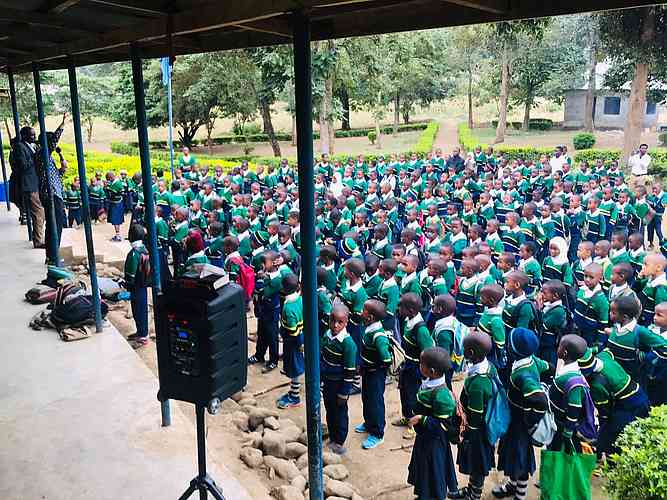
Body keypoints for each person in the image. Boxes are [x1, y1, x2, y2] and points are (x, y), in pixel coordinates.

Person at [493, 328, 550, 500]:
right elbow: (548, 367)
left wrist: (530, 419)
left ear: (515, 350)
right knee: (512, 456)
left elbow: (540, 401)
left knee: (520, 460)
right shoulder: (530, 360)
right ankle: (512, 484)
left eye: (509, 344)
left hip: (520, 423)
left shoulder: (523, 375)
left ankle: (520, 495)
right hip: (514, 420)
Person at [449, 332, 498, 500]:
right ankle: (471, 490)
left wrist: (467, 433)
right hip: (481, 428)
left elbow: (476, 415)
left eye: (464, 348)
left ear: (470, 353)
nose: (462, 351)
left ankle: (474, 495)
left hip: (478, 432)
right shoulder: (487, 366)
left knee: (477, 464)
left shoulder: (478, 383)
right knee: (476, 463)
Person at [406, 347, 458, 500]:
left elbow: (442, 425)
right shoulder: (430, 382)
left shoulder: (442, 396)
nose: (419, 366)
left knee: (433, 472)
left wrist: (421, 419)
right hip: (425, 438)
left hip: (434, 443)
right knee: (424, 471)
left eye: (422, 364)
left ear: (432, 371)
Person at [578, 348, 649, 459]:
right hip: (641, 394)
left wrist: (601, 430)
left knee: (612, 434)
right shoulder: (604, 357)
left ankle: (608, 458)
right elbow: (608, 350)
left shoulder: (597, 385)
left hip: (629, 405)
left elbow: (604, 413)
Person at [393, 293, 435, 438]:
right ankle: (407, 417)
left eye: (401, 307)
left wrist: (423, 372)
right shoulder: (408, 320)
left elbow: (427, 351)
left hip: (416, 368)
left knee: (413, 395)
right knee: (404, 392)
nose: (399, 309)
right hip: (407, 364)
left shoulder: (420, 329)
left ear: (411, 311)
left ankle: (415, 425)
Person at [321, 304, 358, 455]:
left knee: (340, 413)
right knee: (329, 409)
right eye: (332, 321)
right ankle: (332, 435)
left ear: (346, 322)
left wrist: (344, 393)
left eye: (340, 322)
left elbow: (349, 372)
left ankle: (339, 441)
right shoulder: (327, 335)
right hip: (328, 382)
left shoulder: (348, 344)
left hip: (339, 385)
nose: (335, 325)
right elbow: (323, 357)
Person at [357, 299, 392, 449]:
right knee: (366, 398)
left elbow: (386, 358)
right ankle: (369, 422)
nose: (361, 312)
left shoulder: (378, 336)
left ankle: (378, 433)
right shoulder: (369, 328)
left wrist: (376, 367)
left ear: (370, 317)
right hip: (368, 371)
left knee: (375, 401)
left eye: (363, 310)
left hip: (375, 374)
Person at [547, 335, 590, 454]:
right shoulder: (568, 368)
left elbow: (575, 407)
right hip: (557, 421)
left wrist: (568, 432)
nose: (558, 348)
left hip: (563, 426)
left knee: (559, 455)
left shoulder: (573, 381)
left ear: (565, 353)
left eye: (560, 346)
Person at [36, 114, 68, 263]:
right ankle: (53, 256)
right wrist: (62, 124)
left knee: (55, 225)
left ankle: (52, 255)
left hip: (54, 193)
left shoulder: (47, 157)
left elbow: (55, 176)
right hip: (51, 194)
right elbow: (54, 141)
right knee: (55, 225)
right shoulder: (42, 154)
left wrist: (62, 169)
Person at [13, 125, 45, 248]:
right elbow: (23, 166)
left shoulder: (29, 146)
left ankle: (38, 237)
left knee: (38, 212)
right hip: (29, 184)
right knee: (38, 212)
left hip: (33, 183)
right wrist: (35, 157)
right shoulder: (20, 147)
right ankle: (38, 241)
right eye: (31, 135)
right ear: (24, 136)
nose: (34, 137)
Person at [276, 274, 304, 409]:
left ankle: (295, 397)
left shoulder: (288, 308)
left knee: (294, 369)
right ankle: (293, 392)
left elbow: (293, 331)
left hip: (292, 342)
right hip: (298, 339)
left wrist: (299, 344)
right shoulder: (300, 299)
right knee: (294, 366)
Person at [124, 224, 150, 349]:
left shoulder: (134, 254)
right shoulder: (144, 249)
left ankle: (143, 336)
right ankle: (141, 332)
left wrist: (125, 283)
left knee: (138, 311)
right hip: (143, 285)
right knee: (141, 310)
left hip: (136, 287)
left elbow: (131, 275)